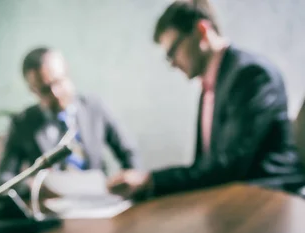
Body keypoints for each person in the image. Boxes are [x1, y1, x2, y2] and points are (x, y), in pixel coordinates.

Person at [108, 0, 304, 199]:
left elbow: (230, 163)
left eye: (172, 51)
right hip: (235, 198)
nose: (173, 63)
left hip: (271, 198)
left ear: (202, 30)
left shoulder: (252, 75)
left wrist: (151, 180)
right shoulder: (211, 86)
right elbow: (207, 165)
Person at [0, 47, 141, 192]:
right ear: (32, 89)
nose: (56, 93)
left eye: (58, 82)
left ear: (67, 72)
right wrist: (31, 187)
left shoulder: (94, 107)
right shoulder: (23, 124)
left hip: (101, 196)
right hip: (54, 207)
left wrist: (130, 179)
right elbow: (2, 178)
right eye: (45, 89)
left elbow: (129, 151)